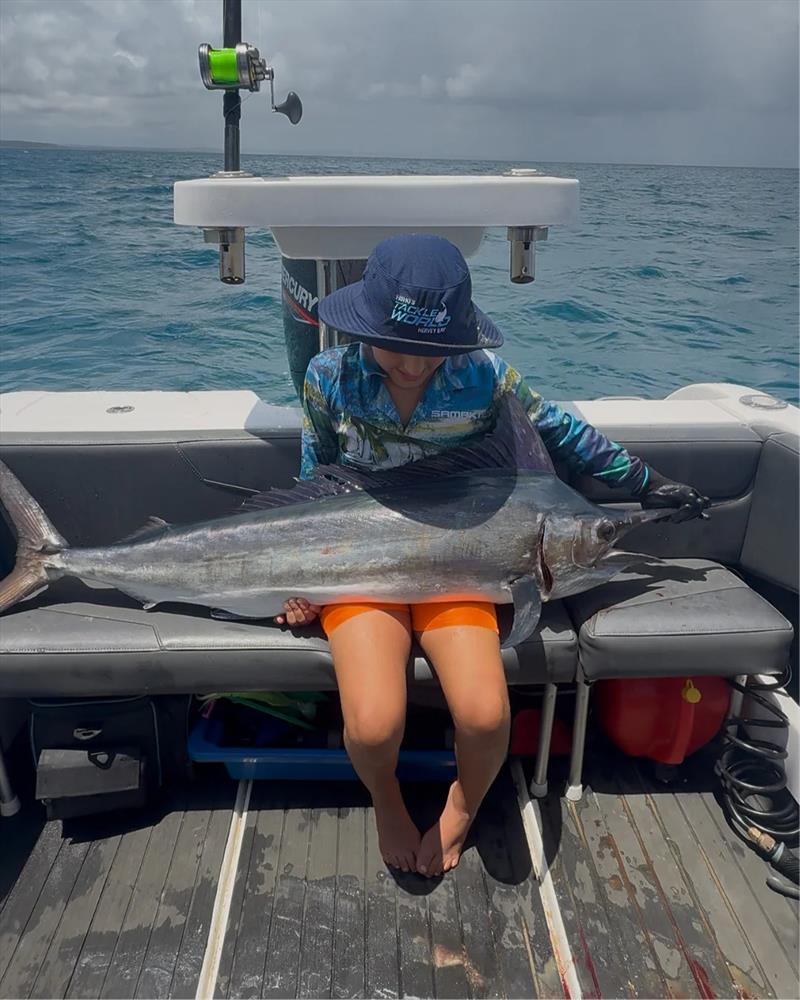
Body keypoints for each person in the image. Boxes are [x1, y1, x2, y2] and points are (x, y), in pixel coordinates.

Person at [276, 234, 708, 878]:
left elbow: (565, 434)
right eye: (399, 345)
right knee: (371, 727)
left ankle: (461, 806)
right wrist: (302, 579)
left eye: (432, 350)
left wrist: (647, 484)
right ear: (364, 322)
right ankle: (387, 801)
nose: (415, 365)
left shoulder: (485, 379)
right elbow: (314, 488)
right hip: (365, 574)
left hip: (465, 575)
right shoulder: (328, 378)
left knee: (483, 716)